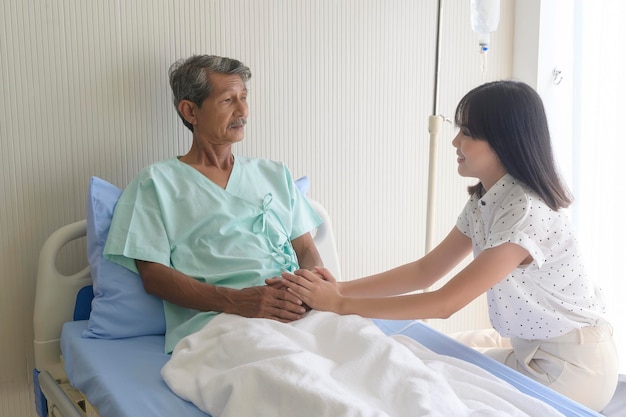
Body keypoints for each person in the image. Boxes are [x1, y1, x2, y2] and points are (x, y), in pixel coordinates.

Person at [282, 80, 619, 412]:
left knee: (427, 375)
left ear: (504, 140)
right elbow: (424, 271)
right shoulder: (487, 201)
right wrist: (339, 289)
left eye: (468, 133)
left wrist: (340, 304)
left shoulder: (525, 211)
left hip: (575, 370)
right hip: (532, 350)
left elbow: (446, 303)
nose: (455, 141)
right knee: (413, 353)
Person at [103, 54, 323, 354]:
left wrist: (309, 291)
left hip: (299, 313)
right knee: (293, 373)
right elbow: (154, 277)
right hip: (223, 322)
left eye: (244, 97)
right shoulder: (156, 183)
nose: (242, 110)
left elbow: (307, 250)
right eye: (227, 100)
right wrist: (239, 301)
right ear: (190, 111)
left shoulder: (274, 174)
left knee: (371, 356)